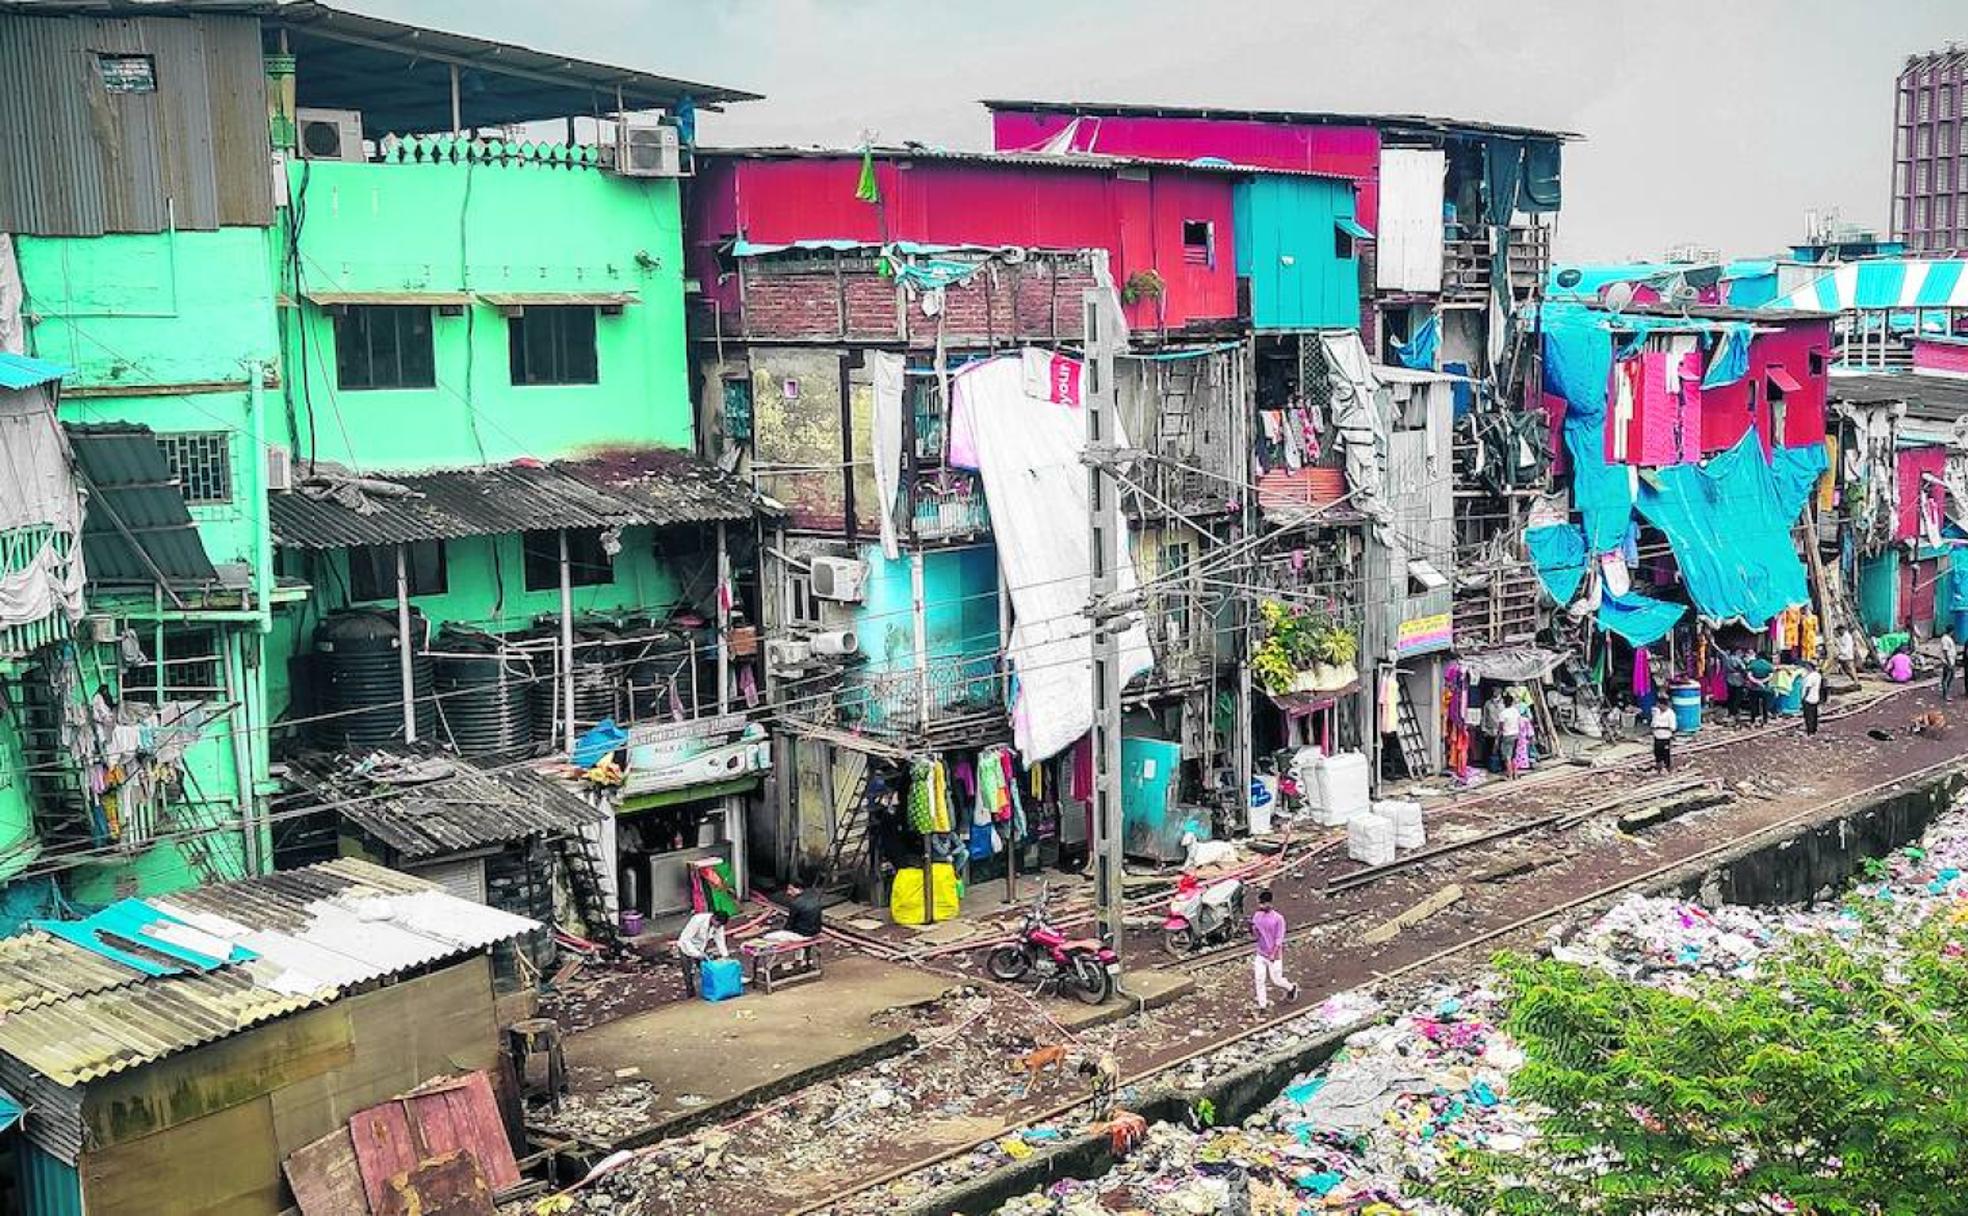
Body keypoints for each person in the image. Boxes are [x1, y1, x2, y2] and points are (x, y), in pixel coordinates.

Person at [1248, 890, 1298, 1012]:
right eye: (1260, 904)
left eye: (1263, 904)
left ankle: (1291, 988)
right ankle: (1262, 1005)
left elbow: (1279, 939)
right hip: (1261, 953)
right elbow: (1256, 936)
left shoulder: (1278, 919)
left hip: (1274, 955)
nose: (1261, 906)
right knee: (1259, 979)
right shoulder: (1257, 916)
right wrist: (1251, 927)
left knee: (1276, 980)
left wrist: (1273, 953)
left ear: (1270, 903)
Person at [676, 907, 730, 997]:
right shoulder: (697, 920)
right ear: (713, 918)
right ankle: (691, 995)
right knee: (688, 973)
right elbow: (686, 939)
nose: (718, 927)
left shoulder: (718, 925)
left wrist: (725, 955)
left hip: (701, 947)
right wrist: (697, 954)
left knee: (705, 969)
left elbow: (720, 939)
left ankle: (710, 989)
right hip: (686, 946)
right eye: (718, 924)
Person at [1496, 694, 1524, 779]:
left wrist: (1497, 739)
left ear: (1504, 703)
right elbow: (1520, 723)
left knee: (1507, 756)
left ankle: (1510, 775)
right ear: (1512, 702)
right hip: (1515, 734)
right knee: (1513, 756)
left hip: (1507, 735)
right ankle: (1515, 773)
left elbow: (1500, 727)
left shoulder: (1503, 713)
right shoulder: (1515, 711)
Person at [1480, 689, 1505, 773]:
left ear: (1500, 692)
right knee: (1490, 749)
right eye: (1494, 691)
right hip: (1490, 730)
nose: (1495, 692)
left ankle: (1502, 767)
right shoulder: (1488, 703)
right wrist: (1483, 728)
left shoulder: (1504, 703)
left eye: (1497, 691)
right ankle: (1492, 767)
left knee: (1501, 749)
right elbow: (1484, 716)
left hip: (1502, 730)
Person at [1650, 698, 1678, 772]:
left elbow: (1673, 727)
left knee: (1666, 753)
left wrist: (1661, 727)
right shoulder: (1656, 712)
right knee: (1657, 752)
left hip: (1665, 737)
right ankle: (1659, 767)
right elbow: (1653, 723)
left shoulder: (1670, 714)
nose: (1658, 706)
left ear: (1664, 705)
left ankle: (1668, 768)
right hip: (1657, 736)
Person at [1746, 654, 1774, 725]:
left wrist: (1757, 681)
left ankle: (1753, 720)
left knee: (1753, 705)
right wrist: (1762, 682)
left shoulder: (1752, 664)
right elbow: (1771, 676)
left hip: (1753, 688)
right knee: (1765, 705)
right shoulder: (1769, 665)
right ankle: (1765, 720)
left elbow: (1749, 675)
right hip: (1765, 688)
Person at [1801, 660, 1824, 735]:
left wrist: (1804, 697)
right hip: (1815, 697)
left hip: (1808, 698)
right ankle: (1814, 729)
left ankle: (1810, 730)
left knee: (1808, 716)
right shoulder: (1818, 675)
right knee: (1814, 715)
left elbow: (1808, 687)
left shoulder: (1810, 676)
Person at [1941, 630, 1960, 702]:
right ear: (1951, 631)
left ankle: (1946, 691)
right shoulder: (1945, 639)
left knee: (1951, 676)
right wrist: (1948, 662)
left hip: (1951, 660)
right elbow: (1945, 651)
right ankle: (1945, 694)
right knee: (1946, 677)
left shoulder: (1948, 638)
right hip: (1948, 661)